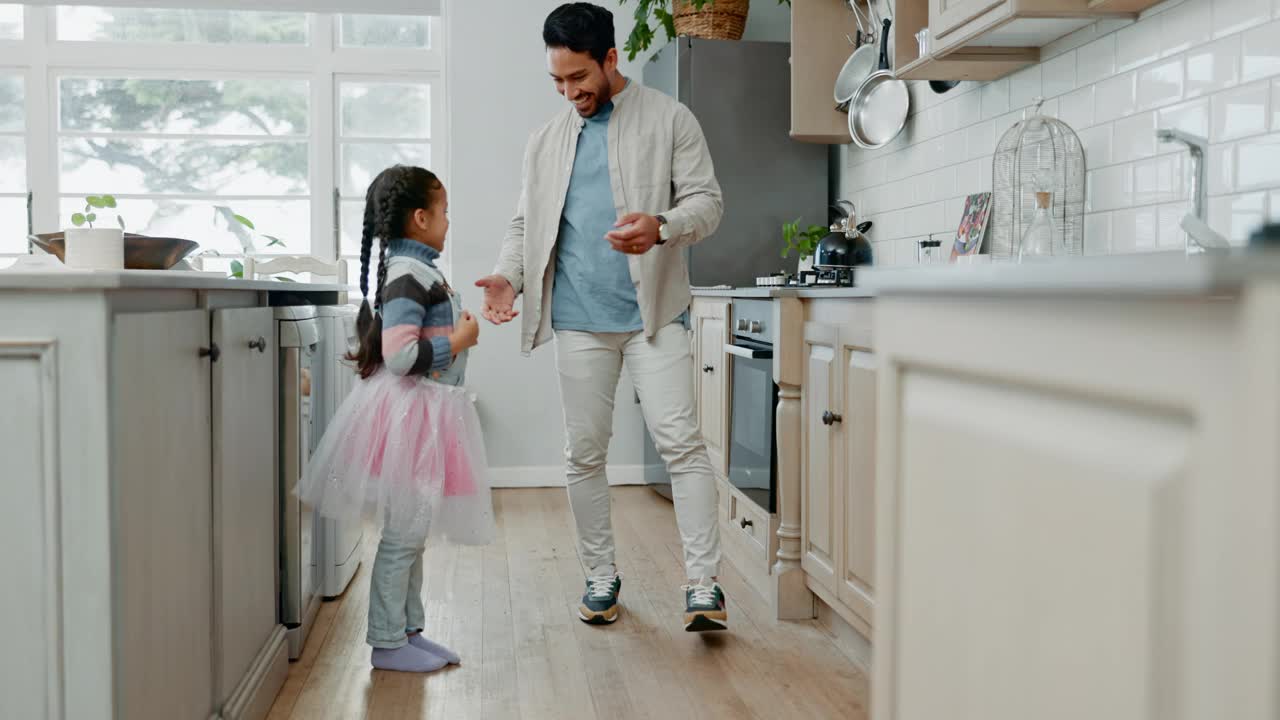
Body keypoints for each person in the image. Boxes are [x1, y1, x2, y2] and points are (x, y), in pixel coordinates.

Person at [474, 2, 728, 632]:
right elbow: (526, 225)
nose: (570, 93)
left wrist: (663, 226)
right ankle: (600, 577)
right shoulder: (547, 140)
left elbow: (707, 202)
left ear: (611, 59)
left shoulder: (670, 119)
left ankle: (703, 586)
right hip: (580, 321)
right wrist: (509, 274)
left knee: (682, 446)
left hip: (655, 318)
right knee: (584, 454)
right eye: (557, 82)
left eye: (579, 78)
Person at [299, 165, 495, 672]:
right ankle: (387, 643)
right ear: (421, 217)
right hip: (415, 418)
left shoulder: (421, 270)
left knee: (413, 531)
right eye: (445, 213)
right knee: (403, 535)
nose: (449, 222)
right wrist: (460, 340)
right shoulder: (411, 274)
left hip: (429, 414)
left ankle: (409, 630)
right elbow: (402, 356)